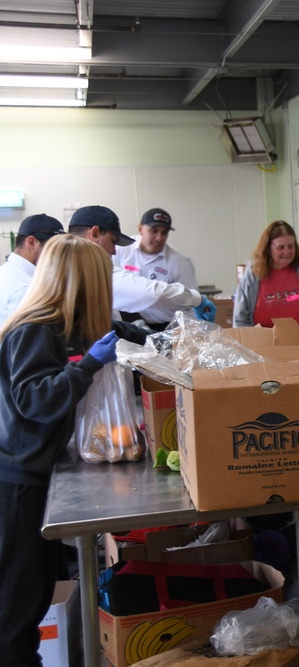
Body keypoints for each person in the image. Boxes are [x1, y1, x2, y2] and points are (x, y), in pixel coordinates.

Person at [0, 234, 126, 665]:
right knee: (15, 613)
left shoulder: (54, 327)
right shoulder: (32, 329)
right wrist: (89, 365)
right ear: (80, 283)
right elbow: (34, 400)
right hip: (16, 482)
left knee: (31, 597)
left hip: (33, 474)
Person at [68, 205, 216, 324]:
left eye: (164, 232)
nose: (114, 251)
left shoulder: (179, 262)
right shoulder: (93, 268)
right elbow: (151, 292)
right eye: (113, 241)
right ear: (95, 234)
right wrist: (196, 299)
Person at [233, 220, 299, 335]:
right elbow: (240, 318)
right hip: (263, 346)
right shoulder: (253, 275)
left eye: (291, 246)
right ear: (268, 249)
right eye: (280, 247)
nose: (287, 252)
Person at [113, 207, 199, 330]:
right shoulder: (122, 250)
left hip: (165, 326)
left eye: (164, 233)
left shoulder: (179, 262)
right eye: (153, 231)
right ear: (140, 229)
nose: (159, 238)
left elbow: (190, 302)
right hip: (128, 322)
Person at [0, 213, 64, 326]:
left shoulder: (6, 271)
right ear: (31, 242)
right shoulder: (24, 289)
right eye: (53, 248)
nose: (57, 256)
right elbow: (27, 340)